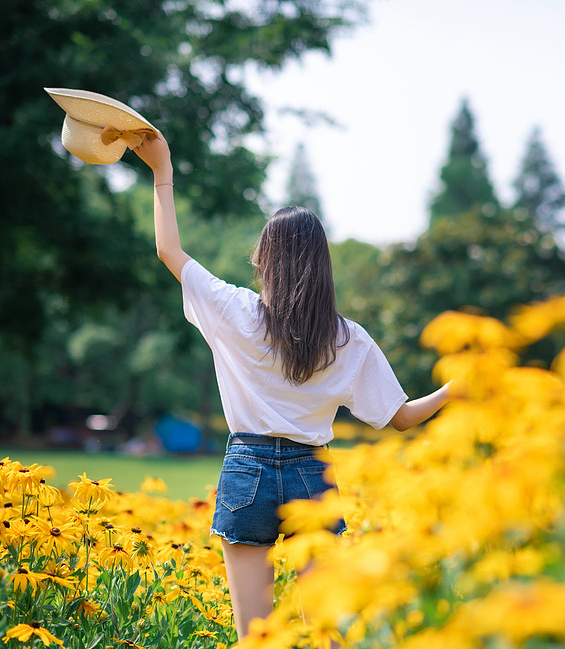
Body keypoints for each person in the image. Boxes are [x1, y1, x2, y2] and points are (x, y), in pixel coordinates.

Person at [132, 133, 451, 639]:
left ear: (265, 258)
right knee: (323, 633)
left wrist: (162, 167)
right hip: (312, 477)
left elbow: (167, 249)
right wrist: (456, 388)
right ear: (322, 266)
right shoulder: (347, 339)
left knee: (253, 638)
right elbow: (404, 417)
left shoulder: (234, 311)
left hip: (247, 471)